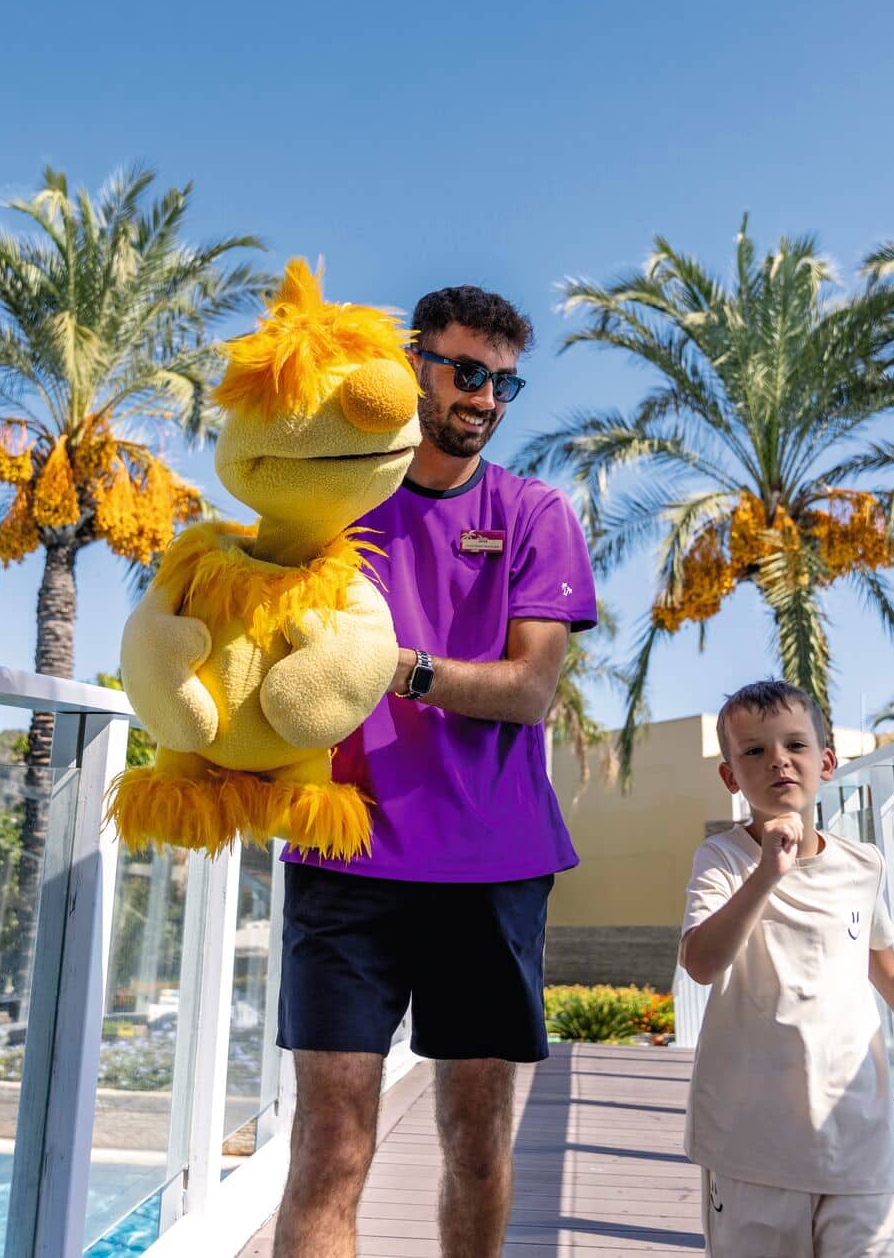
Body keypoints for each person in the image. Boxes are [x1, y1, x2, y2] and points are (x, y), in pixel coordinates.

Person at [272, 285, 597, 1258]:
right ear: (411, 363)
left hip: (489, 868)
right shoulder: (330, 506)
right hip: (341, 853)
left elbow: (530, 687)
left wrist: (395, 666)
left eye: (504, 381)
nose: (485, 397)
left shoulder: (533, 513)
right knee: (329, 1144)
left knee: (474, 1142)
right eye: (466, 371)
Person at [679, 680, 894, 1256]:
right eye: (755, 751)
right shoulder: (721, 860)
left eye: (796, 745)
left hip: (859, 1137)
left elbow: (874, 949)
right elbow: (702, 963)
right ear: (730, 777)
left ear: (828, 763)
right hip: (752, 1143)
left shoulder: (863, 864)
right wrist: (768, 872)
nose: (779, 761)